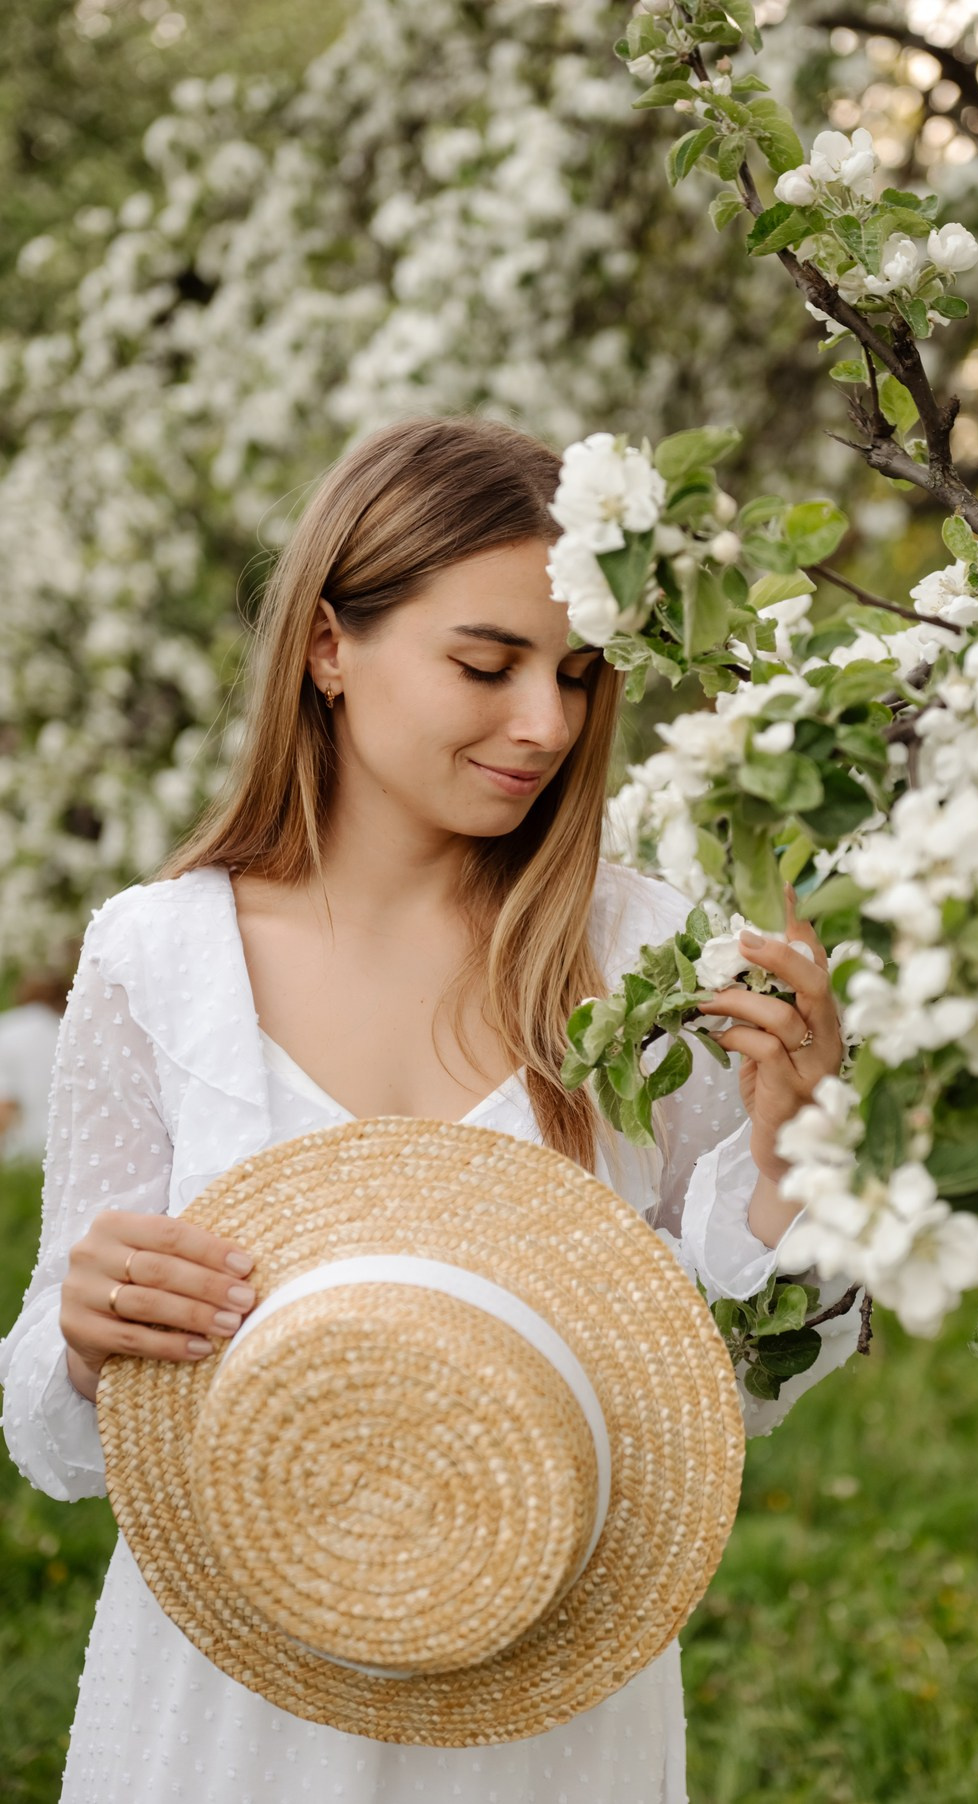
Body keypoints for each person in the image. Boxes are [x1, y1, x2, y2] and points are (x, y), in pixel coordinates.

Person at [0, 415, 855, 1804]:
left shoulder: (642, 954)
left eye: (578, 675)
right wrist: (89, 1335)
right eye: (487, 663)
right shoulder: (157, 956)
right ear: (331, 647)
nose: (550, 724)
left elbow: (740, 1389)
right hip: (231, 1698)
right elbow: (53, 1425)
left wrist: (790, 1148)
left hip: (541, 1698)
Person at [0, 968, 73, 1164]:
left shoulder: (7, 1029)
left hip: (23, 1156)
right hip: (72, 1148)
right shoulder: (71, 1032)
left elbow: (5, 1104)